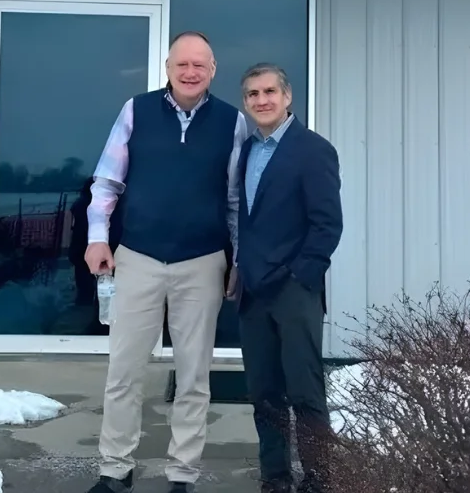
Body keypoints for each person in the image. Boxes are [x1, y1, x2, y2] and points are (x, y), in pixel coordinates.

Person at [84, 31, 247, 493]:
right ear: (168, 68)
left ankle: (183, 474)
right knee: (124, 372)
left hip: (203, 261)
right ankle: (115, 469)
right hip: (136, 258)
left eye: (200, 65)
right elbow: (108, 181)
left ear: (213, 70)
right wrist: (99, 238)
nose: (191, 72)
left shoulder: (232, 122)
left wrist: (237, 260)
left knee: (194, 375)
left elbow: (234, 200)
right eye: (182, 64)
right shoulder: (135, 110)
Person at [230, 63, 343, 493]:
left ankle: (318, 479)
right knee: (264, 394)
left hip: (295, 290)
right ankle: (274, 477)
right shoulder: (246, 153)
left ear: (287, 96)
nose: (262, 100)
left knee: (305, 392)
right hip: (254, 292)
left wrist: (301, 275)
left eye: (269, 92)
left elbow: (327, 224)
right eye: (253, 94)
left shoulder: (313, 150)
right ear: (246, 102)